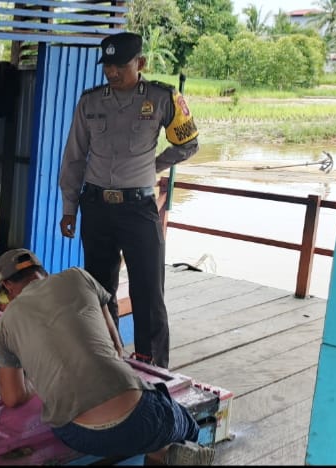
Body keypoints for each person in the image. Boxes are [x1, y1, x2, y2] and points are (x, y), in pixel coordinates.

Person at [0, 248, 215, 465]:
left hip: (78, 433)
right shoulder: (78, 276)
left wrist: (39, 380)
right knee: (183, 425)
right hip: (140, 416)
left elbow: (12, 397)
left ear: (7, 286)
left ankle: (165, 452)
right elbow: (116, 347)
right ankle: (171, 451)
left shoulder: (4, 323)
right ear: (43, 272)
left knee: (147, 433)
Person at [58, 31, 200, 369]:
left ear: (141, 63)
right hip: (96, 207)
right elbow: (74, 158)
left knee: (148, 290)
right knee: (98, 288)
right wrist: (69, 208)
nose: (111, 72)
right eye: (107, 65)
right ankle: (105, 357)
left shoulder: (163, 98)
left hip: (139, 208)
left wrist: (155, 166)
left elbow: (188, 143)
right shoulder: (90, 102)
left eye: (119, 65)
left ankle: (152, 368)